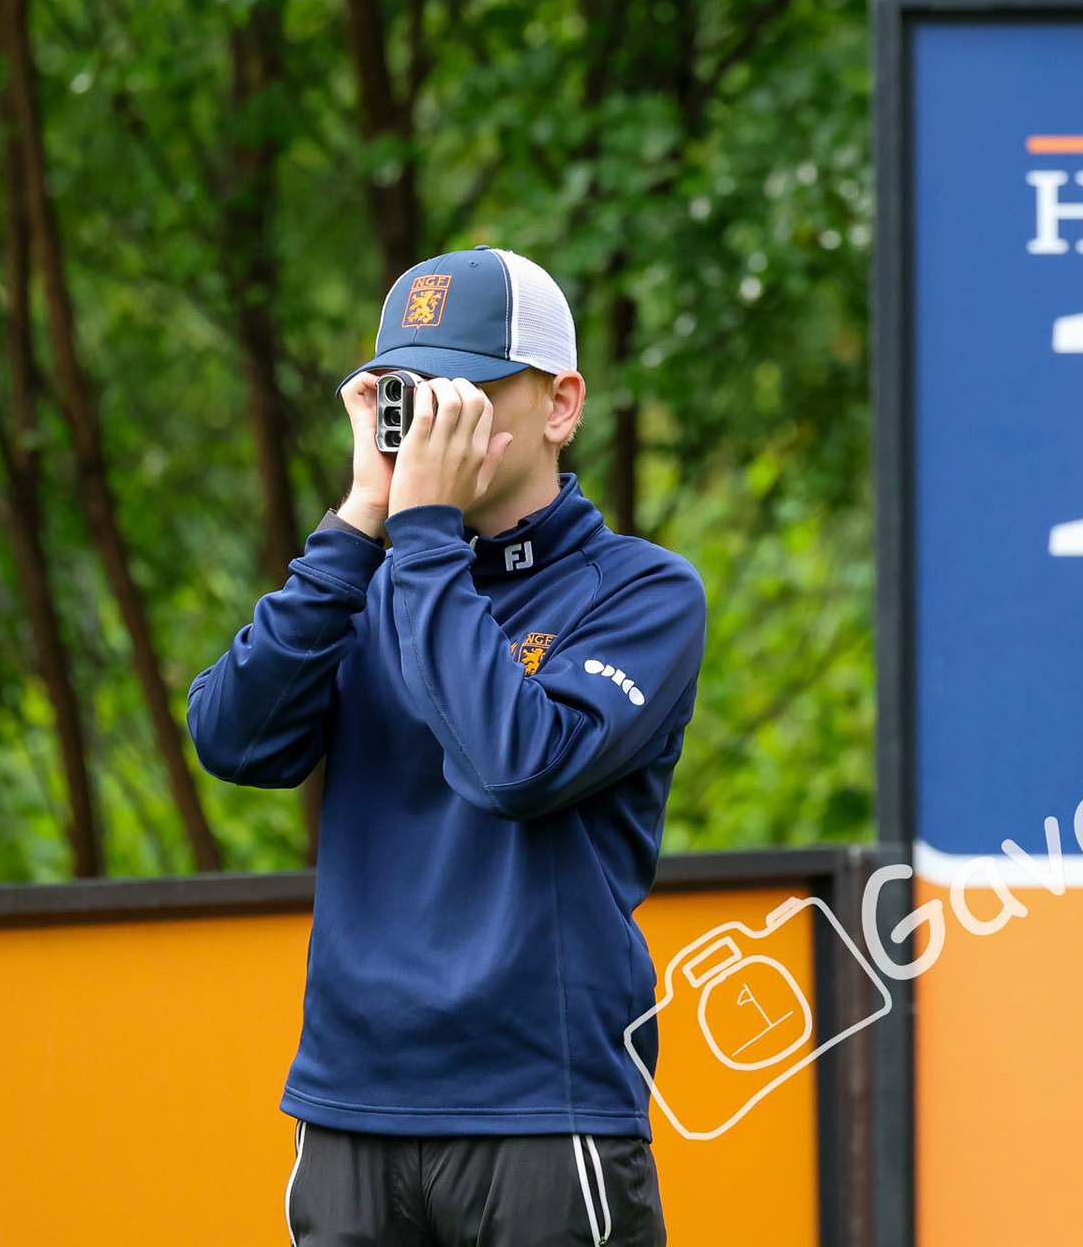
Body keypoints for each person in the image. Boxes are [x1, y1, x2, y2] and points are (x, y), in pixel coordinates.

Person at [186, 245, 706, 1246]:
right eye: (409, 391)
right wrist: (360, 523)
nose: (429, 419)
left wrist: (422, 537)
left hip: (541, 1111)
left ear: (559, 406)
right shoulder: (371, 575)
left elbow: (518, 763)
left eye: (463, 390)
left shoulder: (642, 591)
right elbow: (233, 738)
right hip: (352, 1105)